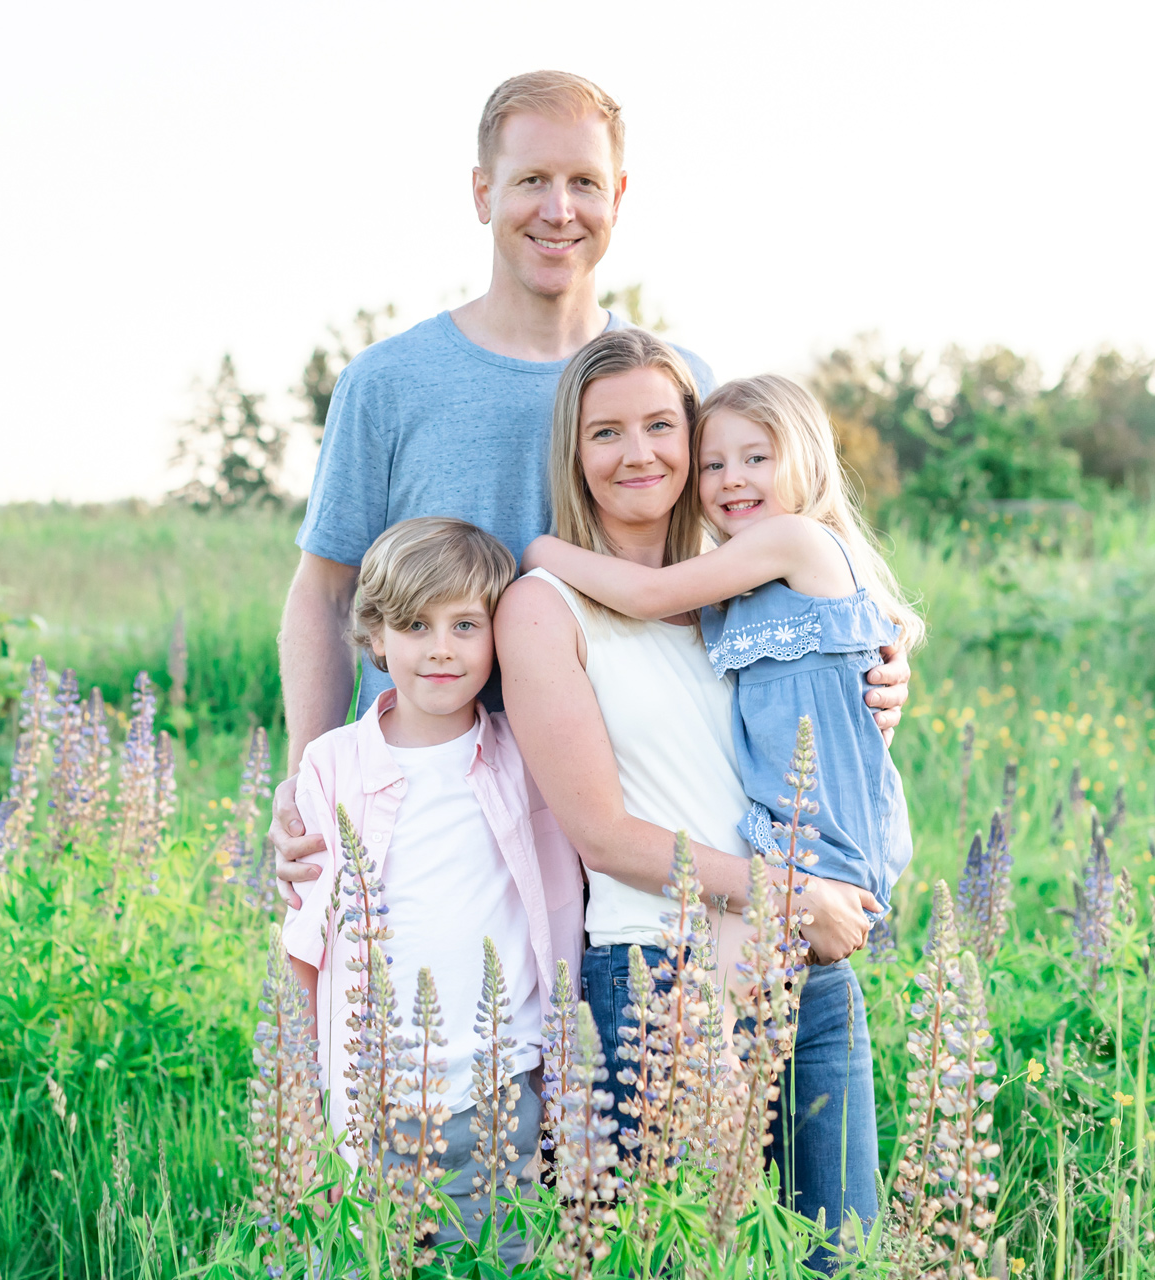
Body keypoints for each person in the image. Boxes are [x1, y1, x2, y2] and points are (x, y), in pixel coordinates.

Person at [272, 69, 910, 910]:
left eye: (583, 183)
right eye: (531, 180)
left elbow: (770, 572)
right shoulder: (390, 383)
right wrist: (307, 777)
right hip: (438, 805)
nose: (558, 210)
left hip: (660, 810)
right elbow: (325, 593)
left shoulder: (681, 387)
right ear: (481, 192)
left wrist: (868, 667)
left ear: (618, 195)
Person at [495, 329, 881, 1261]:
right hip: (659, 981)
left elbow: (827, 723)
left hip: (808, 969)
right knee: (688, 1259)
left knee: (842, 1257)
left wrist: (884, 673)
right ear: (573, 454)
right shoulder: (545, 603)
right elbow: (603, 832)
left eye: (664, 426)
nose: (640, 454)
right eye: (606, 433)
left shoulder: (752, 582)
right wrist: (790, 892)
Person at [281, 517, 583, 1265]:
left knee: (500, 1255)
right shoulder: (333, 763)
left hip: (501, 1084)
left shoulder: (523, 755)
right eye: (416, 625)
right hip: (370, 1089)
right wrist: (295, 1086)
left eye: (465, 625)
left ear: (496, 640)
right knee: (376, 1259)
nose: (441, 648)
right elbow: (303, 937)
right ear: (377, 637)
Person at [521, 373, 922, 922]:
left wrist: (542, 548)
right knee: (739, 987)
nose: (732, 480)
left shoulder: (791, 539)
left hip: (825, 831)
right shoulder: (739, 590)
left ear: (806, 461)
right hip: (779, 854)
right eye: (714, 465)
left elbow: (649, 594)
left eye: (757, 459)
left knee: (738, 991)